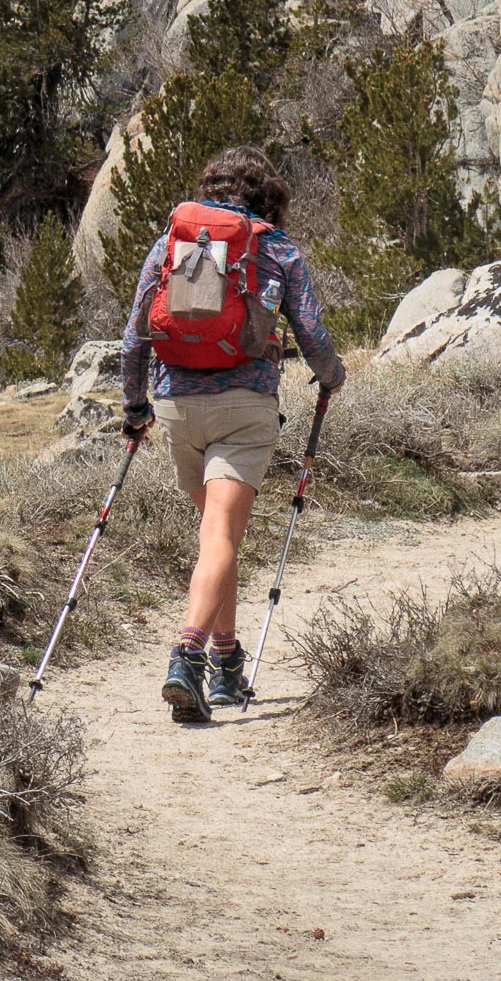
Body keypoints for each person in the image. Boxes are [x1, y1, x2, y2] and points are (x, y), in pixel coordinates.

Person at [120, 146, 345, 723]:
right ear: (263, 188)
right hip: (244, 408)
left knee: (216, 538)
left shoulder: (173, 239)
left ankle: (225, 662)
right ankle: (186, 657)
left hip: (175, 407)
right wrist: (331, 376)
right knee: (220, 535)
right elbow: (313, 334)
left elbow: (134, 337)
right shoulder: (276, 248)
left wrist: (135, 406)